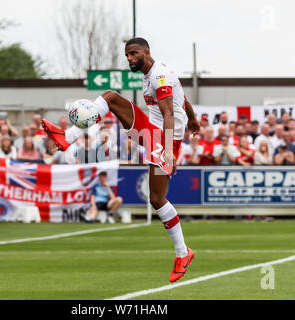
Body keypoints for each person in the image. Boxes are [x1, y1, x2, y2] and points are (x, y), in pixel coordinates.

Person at [41, 37, 199, 282]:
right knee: (111, 98)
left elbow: (168, 113)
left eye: (134, 54)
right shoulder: (154, 74)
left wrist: (168, 150)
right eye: (127, 55)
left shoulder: (159, 76)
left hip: (163, 139)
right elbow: (183, 100)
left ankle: (183, 252)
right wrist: (193, 118)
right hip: (151, 131)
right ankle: (67, 137)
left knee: (157, 199)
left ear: (147, 52)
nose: (129, 59)